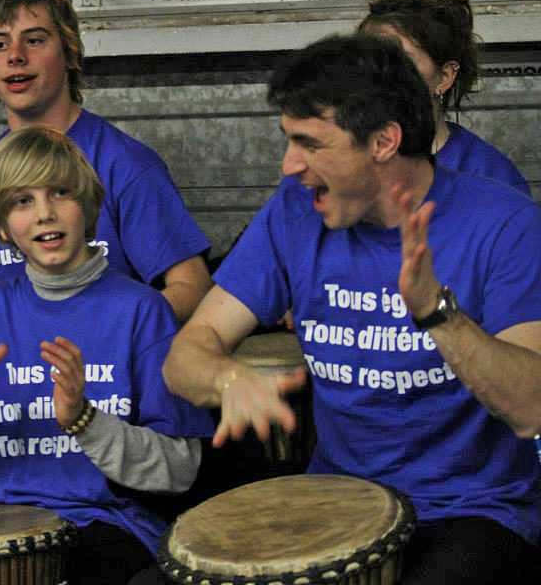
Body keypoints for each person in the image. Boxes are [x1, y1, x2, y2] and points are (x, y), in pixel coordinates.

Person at [163, 35, 541, 584]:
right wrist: (226, 378)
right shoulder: (293, 215)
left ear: (384, 140)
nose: (290, 165)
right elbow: (185, 356)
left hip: (473, 512)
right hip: (337, 507)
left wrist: (438, 313)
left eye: (309, 143)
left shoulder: (505, 224)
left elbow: (532, 407)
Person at [0, 126, 214, 584]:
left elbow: (180, 470)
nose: (45, 213)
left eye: (61, 193)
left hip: (109, 528)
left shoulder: (141, 310)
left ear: (90, 208)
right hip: (2, 530)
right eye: (22, 201)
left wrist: (85, 421)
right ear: (4, 229)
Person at [0, 0, 211, 343]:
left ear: (70, 53)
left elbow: (193, 287)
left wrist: (113, 330)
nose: (15, 55)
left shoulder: (124, 163)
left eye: (34, 40)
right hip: (7, 382)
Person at [359, 0, 530, 195]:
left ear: (445, 77)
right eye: (366, 58)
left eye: (400, 61)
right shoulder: (332, 166)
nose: (379, 73)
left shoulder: (492, 177)